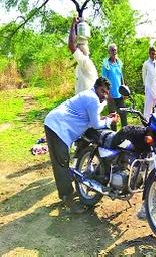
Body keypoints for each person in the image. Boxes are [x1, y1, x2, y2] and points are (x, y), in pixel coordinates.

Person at [44, 77, 119, 213]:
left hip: (59, 124)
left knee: (62, 161)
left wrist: (106, 118)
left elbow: (91, 119)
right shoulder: (92, 99)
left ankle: (65, 190)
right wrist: (110, 121)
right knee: (62, 162)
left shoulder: (90, 96)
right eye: (102, 91)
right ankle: (68, 199)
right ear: (96, 88)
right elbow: (95, 124)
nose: (104, 95)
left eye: (106, 92)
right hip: (57, 127)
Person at [68, 17, 98, 94]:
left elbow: (71, 46)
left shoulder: (85, 62)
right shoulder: (81, 65)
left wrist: (73, 24)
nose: (77, 50)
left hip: (86, 103)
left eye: (78, 48)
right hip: (83, 101)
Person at [102, 43, 127, 131]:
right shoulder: (106, 64)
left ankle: (125, 133)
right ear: (109, 51)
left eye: (115, 50)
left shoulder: (119, 62)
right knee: (113, 117)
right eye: (112, 50)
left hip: (120, 94)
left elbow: (121, 77)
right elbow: (104, 81)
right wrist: (108, 95)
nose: (114, 51)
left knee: (123, 114)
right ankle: (113, 135)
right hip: (111, 95)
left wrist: (124, 91)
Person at [142, 46, 156, 119]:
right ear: (149, 54)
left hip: (155, 87)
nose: (153, 55)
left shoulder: (155, 63)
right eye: (152, 54)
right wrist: (146, 87)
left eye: (154, 54)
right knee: (148, 106)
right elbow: (144, 76)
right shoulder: (146, 64)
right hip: (148, 88)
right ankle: (147, 122)